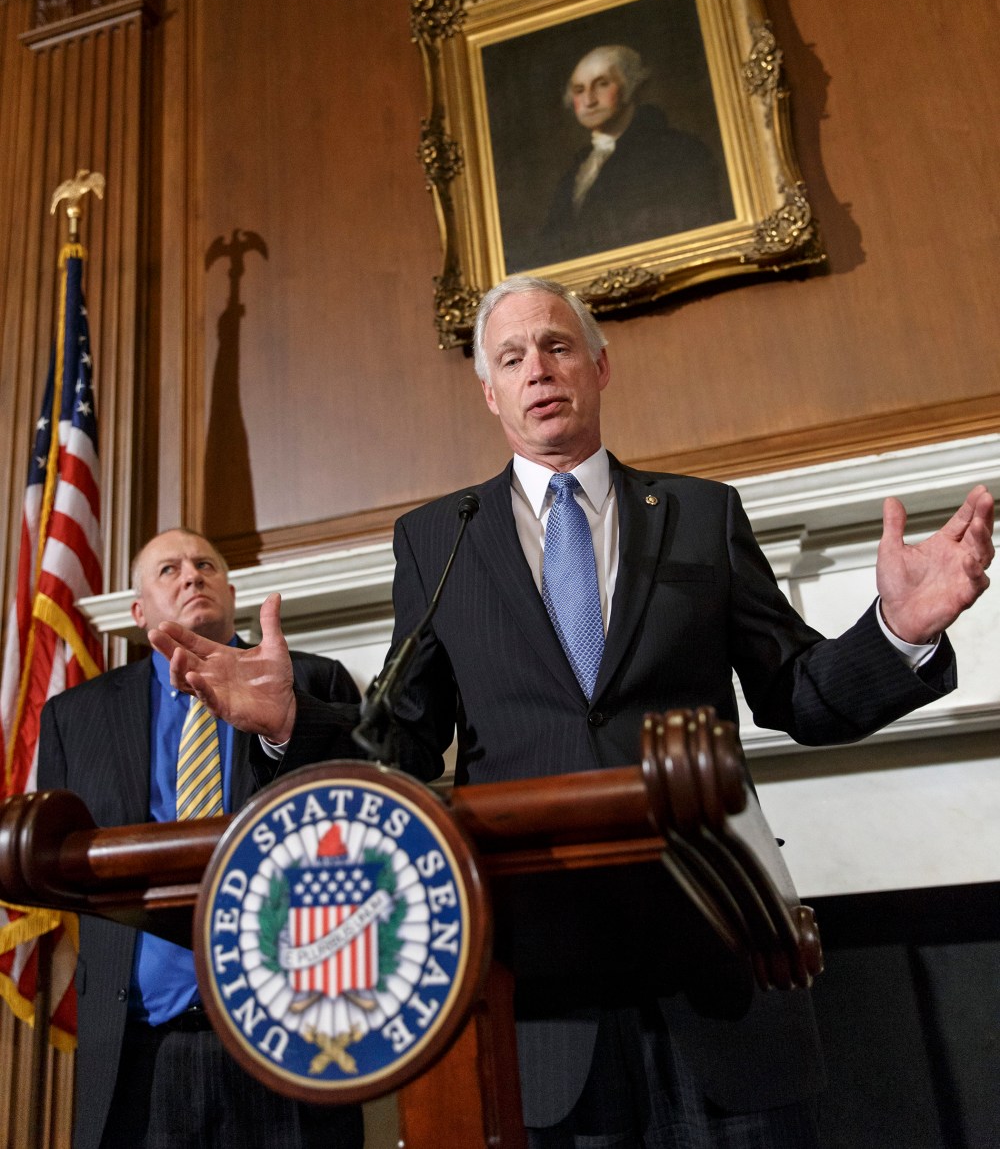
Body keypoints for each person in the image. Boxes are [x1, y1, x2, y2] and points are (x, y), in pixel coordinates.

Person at [151, 279, 994, 1148]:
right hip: (541, 991)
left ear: (598, 365)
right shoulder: (440, 540)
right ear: (489, 392)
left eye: (556, 347)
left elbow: (798, 693)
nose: (538, 371)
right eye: (511, 359)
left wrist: (896, 631)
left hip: (719, 949)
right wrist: (292, 719)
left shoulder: (700, 514)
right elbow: (401, 743)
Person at [37, 528, 366, 1149]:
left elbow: (369, 811)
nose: (191, 575)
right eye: (169, 569)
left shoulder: (313, 685)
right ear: (138, 614)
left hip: (288, 1042)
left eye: (205, 564)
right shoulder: (74, 716)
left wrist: (285, 726)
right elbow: (56, 869)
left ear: (232, 593)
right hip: (139, 1051)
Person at [535, 45, 733, 266]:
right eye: (579, 90)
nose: (589, 101)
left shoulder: (677, 151)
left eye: (602, 84)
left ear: (630, 85)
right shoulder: (576, 171)